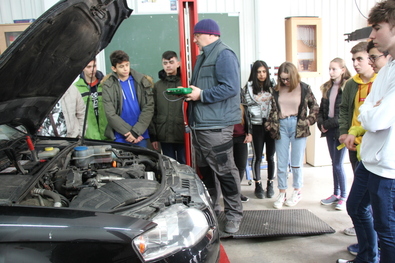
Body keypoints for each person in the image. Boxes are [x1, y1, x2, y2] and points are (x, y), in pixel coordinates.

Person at [184, 19, 243, 234]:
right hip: (201, 125)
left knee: (225, 172)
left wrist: (201, 95)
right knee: (207, 172)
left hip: (216, 127)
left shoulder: (224, 54)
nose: (195, 39)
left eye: (196, 35)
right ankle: (213, 211)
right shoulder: (203, 56)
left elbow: (230, 87)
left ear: (208, 34)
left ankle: (234, 214)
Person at [343, 39, 392, 258]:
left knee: (386, 228)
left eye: (372, 57)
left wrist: (370, 111)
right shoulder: (381, 75)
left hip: (386, 164)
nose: (369, 62)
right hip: (369, 158)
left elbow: (374, 120)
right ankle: (367, 256)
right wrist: (355, 129)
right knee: (355, 206)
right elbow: (364, 112)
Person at [264, 62, 319, 209]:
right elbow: (272, 110)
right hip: (281, 126)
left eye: (287, 79)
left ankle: (297, 191)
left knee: (296, 162)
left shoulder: (304, 88)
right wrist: (269, 125)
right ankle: (282, 192)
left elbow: (315, 108)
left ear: (294, 76)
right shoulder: (276, 89)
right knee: (281, 162)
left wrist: (307, 122)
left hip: (298, 126)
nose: (285, 82)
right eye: (282, 79)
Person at [338, 41, 377, 238]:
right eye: (353, 59)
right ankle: (364, 230)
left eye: (359, 59)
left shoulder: (382, 82)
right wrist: (345, 132)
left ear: (371, 60)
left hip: (376, 148)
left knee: (373, 197)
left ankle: (372, 235)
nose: (355, 63)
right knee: (360, 194)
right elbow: (345, 109)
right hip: (355, 144)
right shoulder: (352, 84)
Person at [317, 58, 351, 211]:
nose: (331, 72)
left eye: (334, 69)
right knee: (334, 163)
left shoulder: (348, 87)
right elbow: (322, 110)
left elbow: (343, 115)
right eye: (330, 69)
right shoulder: (327, 88)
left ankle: (343, 196)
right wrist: (321, 124)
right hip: (329, 131)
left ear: (343, 70)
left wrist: (326, 124)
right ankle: (336, 193)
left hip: (340, 132)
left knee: (338, 164)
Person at [102, 50, 154, 148]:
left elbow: (149, 107)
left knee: (143, 162)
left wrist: (136, 132)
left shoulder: (142, 81)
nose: (125, 69)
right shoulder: (108, 86)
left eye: (127, 65)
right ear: (114, 68)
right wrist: (129, 133)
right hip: (120, 136)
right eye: (121, 66)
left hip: (140, 135)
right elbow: (110, 114)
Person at [242, 60, 276, 199]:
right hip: (256, 126)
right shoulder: (247, 88)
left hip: (271, 126)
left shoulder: (274, 86)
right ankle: (258, 185)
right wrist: (248, 130)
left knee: (271, 157)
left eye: (264, 71)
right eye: (259, 72)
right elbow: (245, 111)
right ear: (254, 73)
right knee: (257, 157)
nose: (262, 75)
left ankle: (270, 185)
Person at [149, 51, 186, 163]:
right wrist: (154, 137)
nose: (168, 65)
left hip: (182, 134)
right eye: (165, 63)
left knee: (184, 164)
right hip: (164, 134)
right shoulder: (158, 86)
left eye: (171, 62)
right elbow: (152, 111)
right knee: (169, 165)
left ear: (178, 63)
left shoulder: (185, 83)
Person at [74, 58, 109, 140]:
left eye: (94, 66)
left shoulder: (106, 84)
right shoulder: (76, 88)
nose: (92, 69)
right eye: (88, 67)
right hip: (88, 138)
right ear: (83, 68)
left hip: (108, 136)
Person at [233, 104, 252, 202]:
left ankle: (236, 192)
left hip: (241, 139)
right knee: (228, 167)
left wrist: (249, 133)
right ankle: (231, 193)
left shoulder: (242, 106)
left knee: (240, 166)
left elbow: (248, 120)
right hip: (227, 138)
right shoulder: (223, 104)